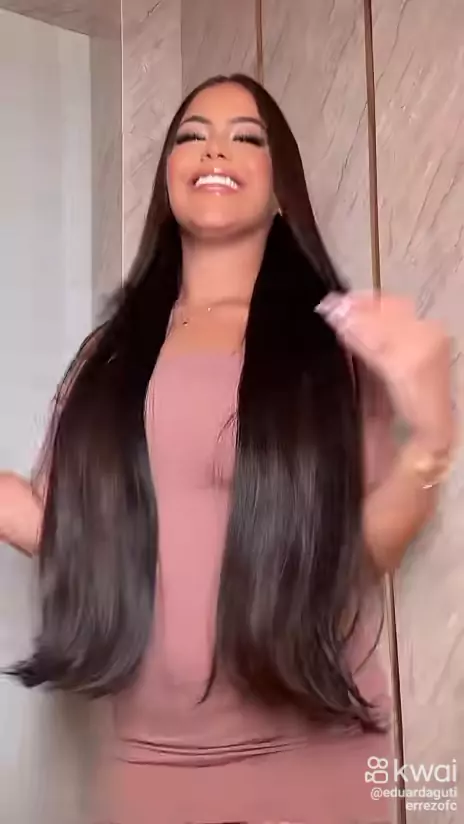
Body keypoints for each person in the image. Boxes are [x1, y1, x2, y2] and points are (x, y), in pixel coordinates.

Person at [0, 74, 455, 824]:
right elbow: (62, 525)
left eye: (247, 137)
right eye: (191, 135)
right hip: (150, 758)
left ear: (281, 189)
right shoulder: (107, 358)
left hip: (313, 751)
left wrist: (433, 439)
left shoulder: (329, 347)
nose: (215, 148)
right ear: (168, 178)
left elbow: (365, 548)